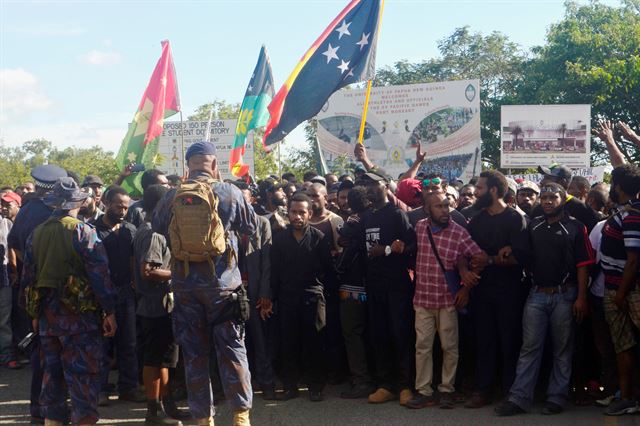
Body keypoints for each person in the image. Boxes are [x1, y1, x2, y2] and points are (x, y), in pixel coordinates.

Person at [153, 141, 256, 426]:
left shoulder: (172, 195)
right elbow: (252, 227)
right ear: (213, 164)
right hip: (224, 286)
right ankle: (240, 416)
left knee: (195, 354)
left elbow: (158, 227)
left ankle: (202, 419)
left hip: (185, 287)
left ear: (188, 165)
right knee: (232, 350)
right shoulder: (229, 192)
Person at [21, 177, 117, 426]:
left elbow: (27, 279)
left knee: (51, 377)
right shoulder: (83, 231)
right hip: (79, 318)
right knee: (83, 377)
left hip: (46, 317)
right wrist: (109, 311)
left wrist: (33, 313)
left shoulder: (36, 233)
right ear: (77, 201)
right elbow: (100, 276)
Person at [495, 182, 594, 416]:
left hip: (565, 295)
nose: (548, 201)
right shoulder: (533, 226)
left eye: (553, 197)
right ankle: (519, 398)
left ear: (563, 199)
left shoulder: (576, 228)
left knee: (562, 349)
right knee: (530, 348)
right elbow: (523, 252)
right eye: (545, 197)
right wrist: (510, 247)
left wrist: (581, 297)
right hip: (536, 294)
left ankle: (557, 397)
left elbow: (583, 266)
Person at [406, 192, 483, 410]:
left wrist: (466, 284)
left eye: (446, 205)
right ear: (426, 210)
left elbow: (479, 257)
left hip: (448, 300)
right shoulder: (420, 227)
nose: (445, 210)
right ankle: (423, 391)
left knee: (449, 347)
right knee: (422, 347)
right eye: (439, 206)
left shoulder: (459, 232)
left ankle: (447, 389)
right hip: (422, 298)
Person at [8, 164, 68, 423]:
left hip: (30, 287)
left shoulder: (26, 211)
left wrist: (29, 266)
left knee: (40, 352)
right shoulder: (54, 213)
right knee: (57, 353)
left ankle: (37, 410)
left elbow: (15, 245)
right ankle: (52, 411)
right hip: (54, 291)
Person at [465, 170, 529, 408]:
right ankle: (483, 389)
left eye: (480, 188)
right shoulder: (477, 220)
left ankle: (510, 391)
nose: (476, 192)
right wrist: (468, 269)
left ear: (493, 190)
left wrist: (491, 260)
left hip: (509, 291)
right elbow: (466, 252)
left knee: (509, 341)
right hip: (482, 291)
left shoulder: (515, 219)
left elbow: (522, 258)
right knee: (484, 340)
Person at [133, 184, 189, 425]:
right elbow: (148, 270)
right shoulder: (153, 233)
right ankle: (153, 412)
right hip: (156, 306)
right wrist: (181, 274)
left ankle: (168, 406)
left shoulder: (150, 230)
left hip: (162, 304)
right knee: (153, 359)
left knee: (164, 359)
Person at [359, 172, 416, 406]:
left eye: (374, 184)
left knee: (400, 334)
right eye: (367, 185)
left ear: (386, 185)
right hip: (374, 286)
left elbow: (413, 246)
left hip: (397, 286)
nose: (370, 189)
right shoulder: (365, 217)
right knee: (379, 335)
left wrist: (391, 250)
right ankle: (385, 385)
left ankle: (405, 385)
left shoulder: (397, 214)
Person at [271, 192, 333, 402]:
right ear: (288, 213)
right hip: (287, 299)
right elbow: (274, 272)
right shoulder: (278, 240)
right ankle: (290, 386)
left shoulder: (319, 238)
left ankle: (316, 387)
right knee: (288, 343)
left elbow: (328, 270)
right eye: (293, 212)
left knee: (315, 343)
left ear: (310, 214)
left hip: (313, 298)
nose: (297, 216)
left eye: (302, 212)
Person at [93, 185, 142, 404]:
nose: (122, 211)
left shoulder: (130, 230)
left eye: (125, 207)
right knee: (102, 344)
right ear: (106, 203)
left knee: (128, 343)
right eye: (118, 206)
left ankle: (128, 388)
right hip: (100, 294)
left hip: (125, 293)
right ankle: (100, 390)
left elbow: (134, 262)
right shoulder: (92, 230)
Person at [599, 164, 640, 416]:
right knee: (622, 345)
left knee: (625, 345)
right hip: (618, 289)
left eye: (614, 183)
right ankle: (627, 398)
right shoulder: (624, 211)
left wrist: (622, 293)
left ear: (619, 187)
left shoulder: (633, 215)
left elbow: (634, 259)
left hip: (628, 291)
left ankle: (628, 397)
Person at [233, 181, 277, 401]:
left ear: (252, 199)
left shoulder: (261, 224)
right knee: (234, 342)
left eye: (245, 196)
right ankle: (239, 386)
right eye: (237, 197)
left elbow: (267, 262)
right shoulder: (226, 223)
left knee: (261, 341)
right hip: (231, 293)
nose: (242, 201)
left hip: (255, 292)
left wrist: (265, 293)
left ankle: (267, 382)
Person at [336, 186, 375, 399]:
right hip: (374, 285)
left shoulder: (354, 220)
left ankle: (361, 381)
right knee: (371, 332)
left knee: (352, 332)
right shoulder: (377, 217)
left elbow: (344, 234)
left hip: (352, 287)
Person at [532, 165, 599, 232]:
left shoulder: (582, 210)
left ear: (562, 182)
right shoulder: (538, 209)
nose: (541, 182)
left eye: (547, 178)